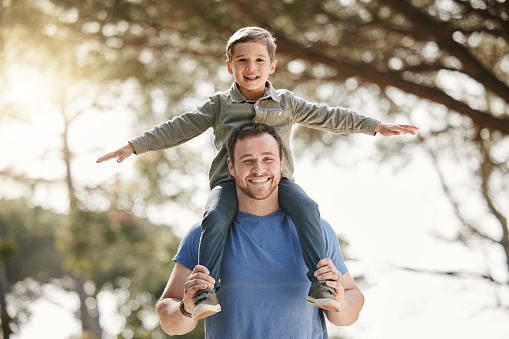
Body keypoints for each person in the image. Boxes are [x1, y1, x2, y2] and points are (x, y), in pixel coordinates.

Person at [97, 26, 418, 320]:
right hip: (228, 182)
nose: (251, 67)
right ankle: (206, 289)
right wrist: (135, 146)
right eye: (242, 60)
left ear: (272, 66)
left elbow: (329, 116)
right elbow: (179, 127)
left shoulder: (286, 103)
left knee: (307, 208)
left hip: (282, 182)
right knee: (216, 216)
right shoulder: (219, 105)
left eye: (259, 60)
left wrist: (374, 126)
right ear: (230, 67)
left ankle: (321, 283)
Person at [156, 123, 365, 338]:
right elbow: (170, 322)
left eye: (268, 159)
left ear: (281, 163)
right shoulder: (202, 235)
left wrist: (339, 298)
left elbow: (349, 311)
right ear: (231, 166)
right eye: (247, 161)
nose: (258, 169)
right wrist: (185, 307)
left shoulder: (317, 230)